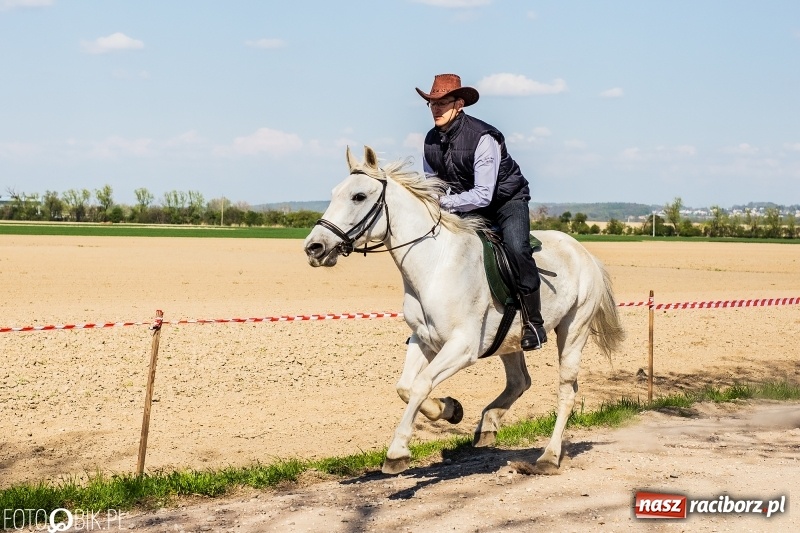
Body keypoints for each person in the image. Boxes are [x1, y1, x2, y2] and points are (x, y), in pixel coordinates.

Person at [416, 73, 547, 351]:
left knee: (516, 248)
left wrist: (443, 204)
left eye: (442, 103)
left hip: (506, 202)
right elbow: (433, 188)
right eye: (432, 104)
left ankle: (534, 324)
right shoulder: (430, 141)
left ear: (459, 104)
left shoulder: (483, 137)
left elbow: (484, 194)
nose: (436, 109)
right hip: (467, 204)